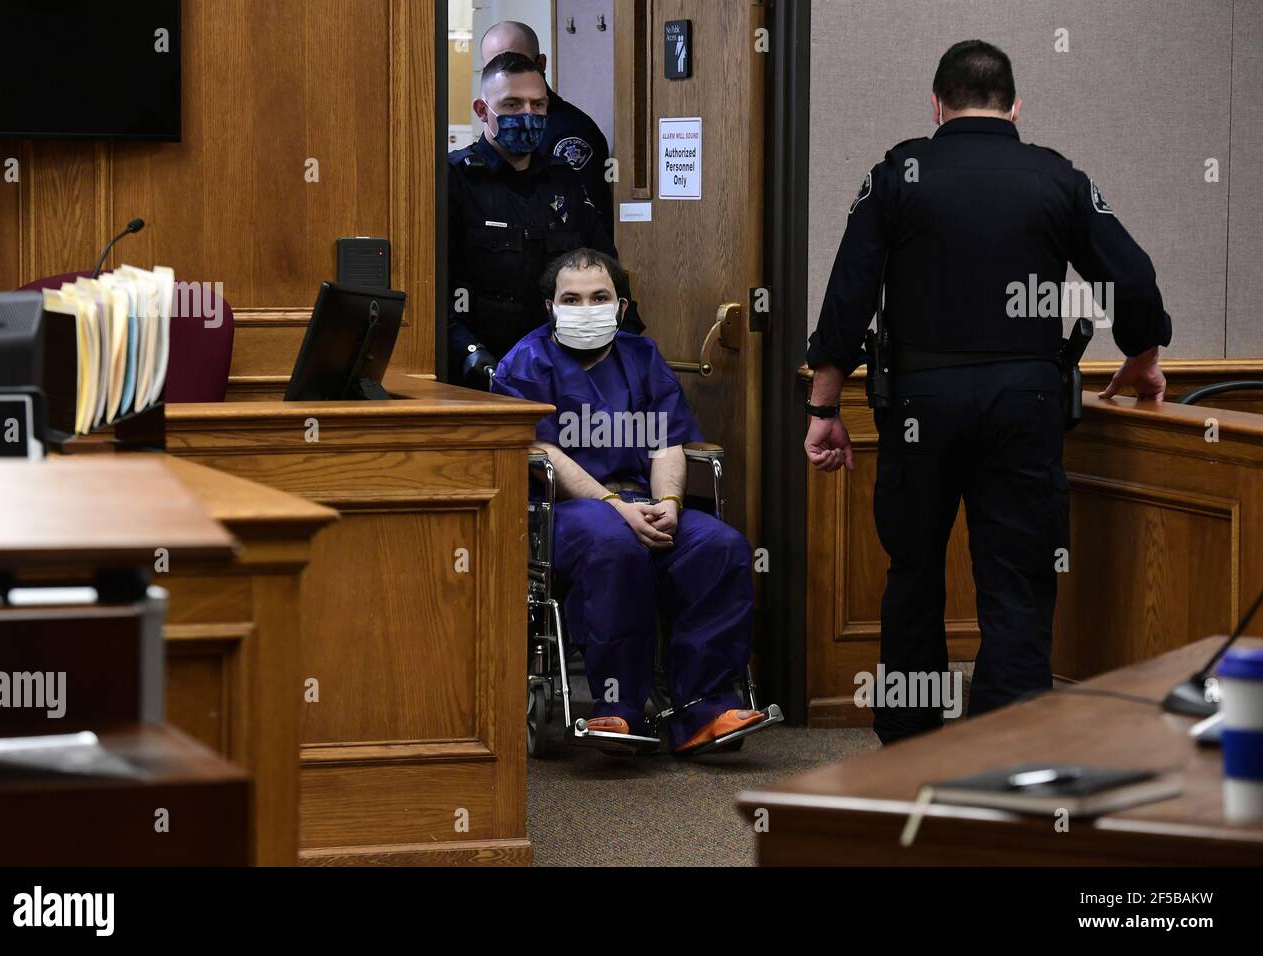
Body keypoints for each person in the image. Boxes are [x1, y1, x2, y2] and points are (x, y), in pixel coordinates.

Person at [803, 40, 1172, 744]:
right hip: (1024, 404)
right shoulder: (1056, 177)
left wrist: (824, 408)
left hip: (920, 405)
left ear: (936, 104)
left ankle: (910, 743)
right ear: (1014, 106)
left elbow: (848, 297)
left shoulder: (897, 173)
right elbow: (1132, 276)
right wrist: (1143, 355)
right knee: (1019, 583)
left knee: (912, 573)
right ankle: (1006, 749)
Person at [492, 248, 771, 755]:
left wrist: (669, 501)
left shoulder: (642, 357)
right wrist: (612, 505)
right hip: (567, 509)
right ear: (550, 308)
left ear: (621, 308)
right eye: (571, 298)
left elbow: (668, 441)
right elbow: (541, 449)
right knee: (613, 546)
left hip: (644, 498)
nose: (586, 306)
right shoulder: (524, 364)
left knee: (721, 546)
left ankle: (704, 709)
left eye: (599, 297)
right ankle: (618, 708)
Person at [447, 52, 617, 389]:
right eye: (512, 105)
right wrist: (468, 353)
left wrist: (624, 346)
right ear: (482, 111)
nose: (527, 115)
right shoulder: (454, 180)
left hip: (564, 370)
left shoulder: (564, 180)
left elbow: (605, 267)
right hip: (482, 372)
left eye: (537, 106)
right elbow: (435, 291)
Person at [480, 20, 615, 236]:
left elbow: (588, 227)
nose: (508, 73)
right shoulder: (465, 170)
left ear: (540, 64)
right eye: (495, 65)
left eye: (519, 62)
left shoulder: (568, 131)